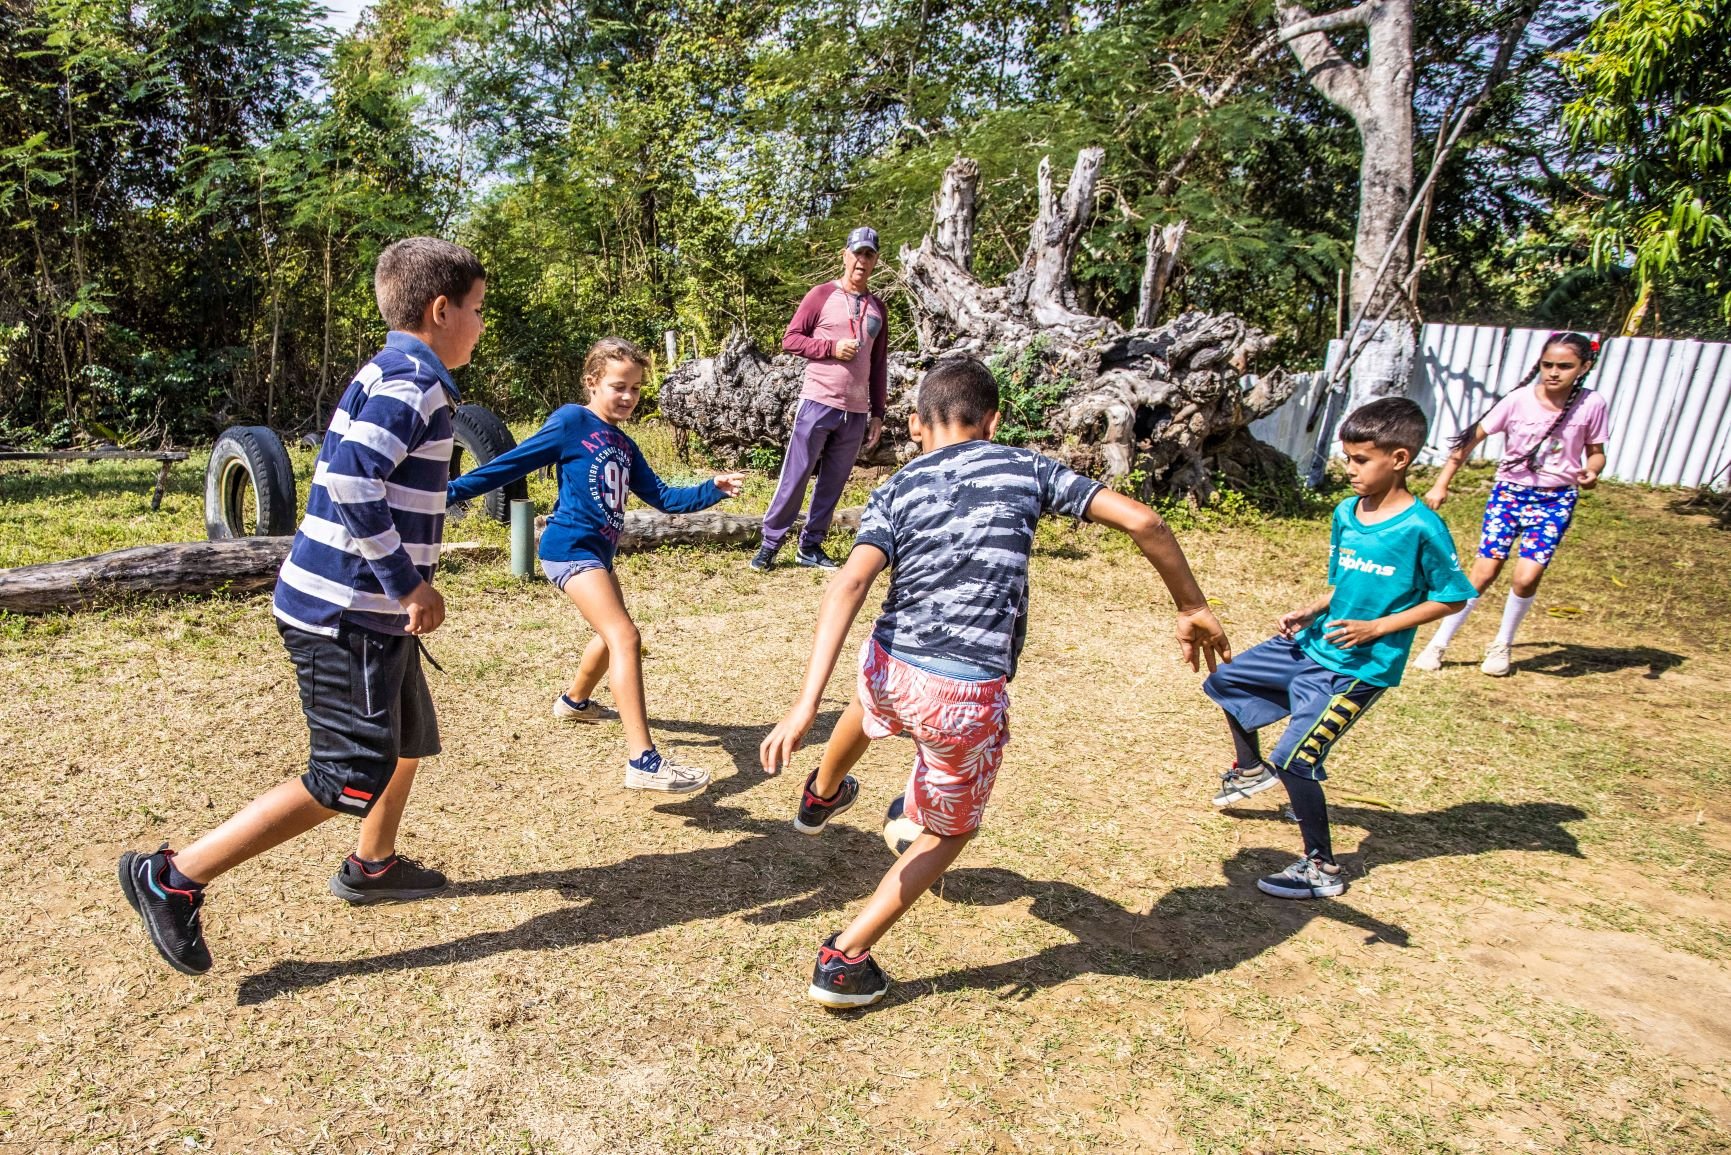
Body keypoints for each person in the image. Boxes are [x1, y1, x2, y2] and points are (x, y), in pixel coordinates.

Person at [758, 356, 1232, 1008]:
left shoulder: (895, 485)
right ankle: (844, 957)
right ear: (992, 420)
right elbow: (1144, 521)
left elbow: (849, 581)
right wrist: (1190, 606)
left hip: (890, 664)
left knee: (866, 704)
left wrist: (803, 702)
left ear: (916, 425)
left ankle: (821, 792)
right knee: (947, 832)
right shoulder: (1024, 466)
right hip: (963, 694)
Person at [118, 236, 486, 975]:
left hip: (364, 611)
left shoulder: (391, 366)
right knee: (347, 773)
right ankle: (173, 875)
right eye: (477, 310)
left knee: (406, 738)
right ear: (440, 309)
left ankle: (372, 865)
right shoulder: (415, 382)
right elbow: (352, 480)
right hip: (345, 614)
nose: (481, 323)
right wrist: (406, 583)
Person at [1205, 397, 1478, 900]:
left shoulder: (1422, 527)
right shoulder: (1346, 512)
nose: (1348, 469)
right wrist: (1312, 609)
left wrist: (1378, 629)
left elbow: (1452, 597)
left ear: (1399, 459)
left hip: (1359, 667)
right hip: (1313, 645)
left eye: (1360, 460)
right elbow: (1342, 584)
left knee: (1297, 760)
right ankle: (1248, 768)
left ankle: (1322, 867)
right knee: (1226, 681)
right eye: (1347, 457)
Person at [447, 337, 744, 795]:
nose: (628, 396)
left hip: (597, 555)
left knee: (609, 638)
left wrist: (712, 488)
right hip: (569, 548)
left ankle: (575, 702)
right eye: (618, 386)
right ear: (592, 383)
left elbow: (664, 497)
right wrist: (446, 493)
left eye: (636, 389)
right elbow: (512, 463)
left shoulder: (624, 444)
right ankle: (643, 760)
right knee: (625, 635)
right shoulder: (572, 422)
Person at [1413, 332, 1609, 676]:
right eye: (1547, 364)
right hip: (1509, 494)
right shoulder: (1519, 399)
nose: (1553, 372)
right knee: (1483, 572)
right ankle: (1439, 643)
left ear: (1584, 367)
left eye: (1565, 366)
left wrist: (1591, 473)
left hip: (1556, 499)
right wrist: (1441, 484)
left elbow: (1596, 452)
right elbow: (1468, 440)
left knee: (1526, 577)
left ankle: (1502, 643)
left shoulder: (1592, 404)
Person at [750, 226, 889, 572]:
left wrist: (878, 413)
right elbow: (791, 339)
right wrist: (830, 348)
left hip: (855, 412)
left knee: (834, 481)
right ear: (845, 255)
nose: (862, 260)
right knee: (796, 476)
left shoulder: (877, 309)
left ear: (875, 262)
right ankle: (770, 544)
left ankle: (810, 546)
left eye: (869, 255)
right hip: (818, 401)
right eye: (857, 253)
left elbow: (878, 364)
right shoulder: (821, 295)